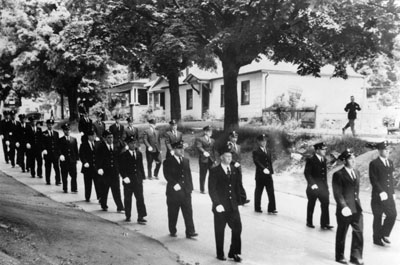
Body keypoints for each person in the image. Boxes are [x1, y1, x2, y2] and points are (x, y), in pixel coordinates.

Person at [209, 143, 243, 262]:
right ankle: (220, 253)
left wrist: (239, 201)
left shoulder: (234, 169)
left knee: (237, 228)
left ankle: (235, 252)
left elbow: (237, 187)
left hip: (233, 206)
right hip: (221, 207)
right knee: (220, 230)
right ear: (221, 157)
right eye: (227, 156)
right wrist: (217, 204)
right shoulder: (215, 171)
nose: (230, 158)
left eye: (231, 156)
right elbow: (212, 189)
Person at [332, 149, 364, 265]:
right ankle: (339, 255)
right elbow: (337, 193)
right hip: (345, 210)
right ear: (344, 160)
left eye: (354, 158)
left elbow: (356, 191)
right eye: (350, 158)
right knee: (342, 232)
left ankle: (356, 256)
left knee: (359, 232)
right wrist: (343, 206)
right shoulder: (338, 175)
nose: (353, 160)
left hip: (356, 208)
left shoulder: (357, 172)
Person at [163, 140, 198, 238]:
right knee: (173, 212)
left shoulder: (186, 161)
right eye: (179, 149)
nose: (181, 150)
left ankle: (190, 231)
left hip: (185, 191)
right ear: (174, 150)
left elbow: (188, 175)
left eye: (182, 148)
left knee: (188, 212)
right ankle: (172, 229)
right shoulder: (168, 161)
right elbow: (167, 175)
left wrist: (190, 188)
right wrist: (174, 184)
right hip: (174, 192)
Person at [369, 141, 397, 246]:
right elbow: (373, 180)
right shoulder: (374, 163)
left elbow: (391, 179)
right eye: (385, 149)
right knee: (378, 217)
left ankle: (384, 233)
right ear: (379, 151)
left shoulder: (390, 162)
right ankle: (376, 239)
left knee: (392, 214)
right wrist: (381, 192)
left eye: (388, 149)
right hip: (378, 196)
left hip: (389, 195)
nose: (387, 151)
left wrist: (393, 193)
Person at [304, 142, 334, 229]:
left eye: (325, 149)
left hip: (323, 188)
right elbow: (307, 173)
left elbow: (324, 175)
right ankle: (309, 222)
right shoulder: (311, 159)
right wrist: (312, 184)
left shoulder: (323, 160)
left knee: (325, 204)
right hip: (313, 188)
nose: (325, 151)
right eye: (322, 149)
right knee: (311, 204)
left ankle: (325, 223)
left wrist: (326, 187)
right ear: (317, 150)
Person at [119, 135, 147, 224]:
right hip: (128, 180)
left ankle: (141, 216)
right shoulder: (124, 155)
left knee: (140, 198)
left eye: (134, 143)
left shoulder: (139, 154)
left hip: (137, 180)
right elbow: (121, 168)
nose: (133, 145)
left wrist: (143, 176)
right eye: (131, 143)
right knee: (128, 198)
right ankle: (128, 215)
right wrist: (124, 177)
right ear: (127, 144)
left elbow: (140, 166)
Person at [96, 130, 124, 212]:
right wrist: (99, 168)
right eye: (108, 138)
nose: (111, 139)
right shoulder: (101, 147)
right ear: (104, 138)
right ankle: (103, 204)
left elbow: (119, 158)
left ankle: (120, 207)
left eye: (112, 137)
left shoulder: (116, 146)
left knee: (116, 190)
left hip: (115, 172)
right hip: (105, 172)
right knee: (105, 189)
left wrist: (120, 169)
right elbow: (98, 159)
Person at [253, 134, 277, 214]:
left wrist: (271, 171)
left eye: (265, 141)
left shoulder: (268, 150)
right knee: (259, 191)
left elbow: (269, 162)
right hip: (260, 175)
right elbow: (257, 161)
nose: (264, 142)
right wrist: (263, 169)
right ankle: (257, 207)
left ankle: (272, 208)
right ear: (258, 142)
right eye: (262, 141)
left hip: (268, 174)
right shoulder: (256, 151)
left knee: (271, 191)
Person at [79, 129, 101, 202]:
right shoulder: (84, 144)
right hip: (88, 167)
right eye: (91, 136)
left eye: (94, 135)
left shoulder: (98, 143)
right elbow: (81, 155)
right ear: (88, 136)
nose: (93, 137)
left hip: (96, 167)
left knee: (98, 183)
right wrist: (85, 162)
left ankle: (99, 197)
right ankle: (87, 197)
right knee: (88, 183)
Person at [228, 131, 250, 204]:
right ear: (230, 137)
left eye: (236, 137)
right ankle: (233, 199)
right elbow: (227, 157)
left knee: (239, 182)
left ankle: (242, 198)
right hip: (231, 166)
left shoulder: (238, 146)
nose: (234, 139)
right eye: (233, 137)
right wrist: (234, 163)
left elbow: (239, 157)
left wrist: (239, 164)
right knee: (232, 183)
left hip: (238, 167)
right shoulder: (228, 146)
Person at [196, 125, 217, 193]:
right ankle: (202, 189)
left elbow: (213, 150)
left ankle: (211, 189)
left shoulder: (213, 140)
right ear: (205, 132)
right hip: (203, 159)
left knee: (212, 175)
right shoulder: (200, 139)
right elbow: (199, 147)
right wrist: (204, 152)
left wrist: (215, 160)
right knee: (203, 175)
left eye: (211, 131)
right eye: (209, 131)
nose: (210, 132)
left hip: (211, 160)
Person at [58, 123, 78, 193]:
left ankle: (74, 188)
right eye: (66, 130)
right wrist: (60, 155)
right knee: (64, 175)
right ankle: (65, 187)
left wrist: (76, 159)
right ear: (63, 131)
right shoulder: (60, 140)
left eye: (69, 130)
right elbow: (58, 149)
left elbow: (76, 150)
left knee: (74, 175)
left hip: (72, 160)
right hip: (64, 160)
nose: (68, 131)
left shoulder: (74, 139)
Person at [42, 119, 61, 185]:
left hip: (55, 153)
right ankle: (48, 180)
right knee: (48, 167)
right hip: (48, 153)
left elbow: (58, 143)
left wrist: (59, 153)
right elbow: (42, 143)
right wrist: (44, 149)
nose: (50, 126)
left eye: (51, 124)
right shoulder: (44, 133)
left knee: (56, 167)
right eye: (49, 124)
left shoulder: (56, 133)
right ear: (47, 125)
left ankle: (58, 180)